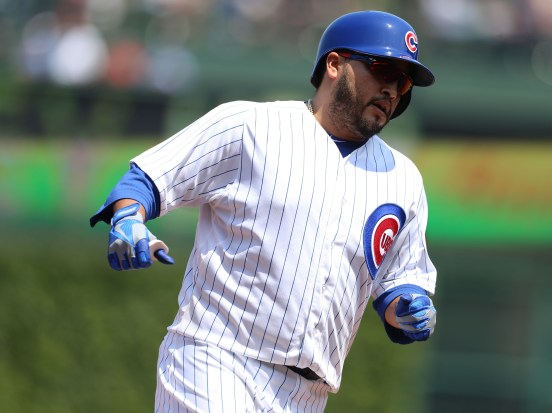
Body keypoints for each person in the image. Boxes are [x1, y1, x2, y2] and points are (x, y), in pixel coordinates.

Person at [90, 10, 438, 413]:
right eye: (383, 69)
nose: (392, 89)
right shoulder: (250, 125)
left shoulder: (403, 178)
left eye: (404, 80)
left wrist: (409, 307)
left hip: (308, 394)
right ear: (334, 64)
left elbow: (399, 282)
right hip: (215, 358)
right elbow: (150, 178)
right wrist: (128, 218)